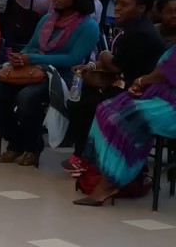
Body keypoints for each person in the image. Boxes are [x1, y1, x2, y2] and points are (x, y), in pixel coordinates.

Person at [0, 0, 99, 166]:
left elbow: (72, 59)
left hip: (62, 77)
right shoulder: (47, 19)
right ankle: (15, 142)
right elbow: (31, 46)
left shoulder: (88, 26)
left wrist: (33, 57)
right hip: (33, 71)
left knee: (27, 97)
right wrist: (20, 57)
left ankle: (32, 147)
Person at [63, 0, 166, 176]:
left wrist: (102, 54)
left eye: (124, 5)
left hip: (145, 92)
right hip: (130, 84)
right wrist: (94, 65)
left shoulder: (139, 33)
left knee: (87, 102)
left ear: (141, 8)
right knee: (82, 95)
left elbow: (117, 66)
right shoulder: (133, 28)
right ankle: (87, 154)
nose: (117, 8)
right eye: (117, 3)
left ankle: (87, 159)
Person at [73, 44, 176, 206]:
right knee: (105, 108)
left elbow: (166, 73)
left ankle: (111, 181)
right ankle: (101, 169)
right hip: (163, 96)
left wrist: (142, 80)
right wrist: (141, 86)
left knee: (126, 118)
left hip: (172, 107)